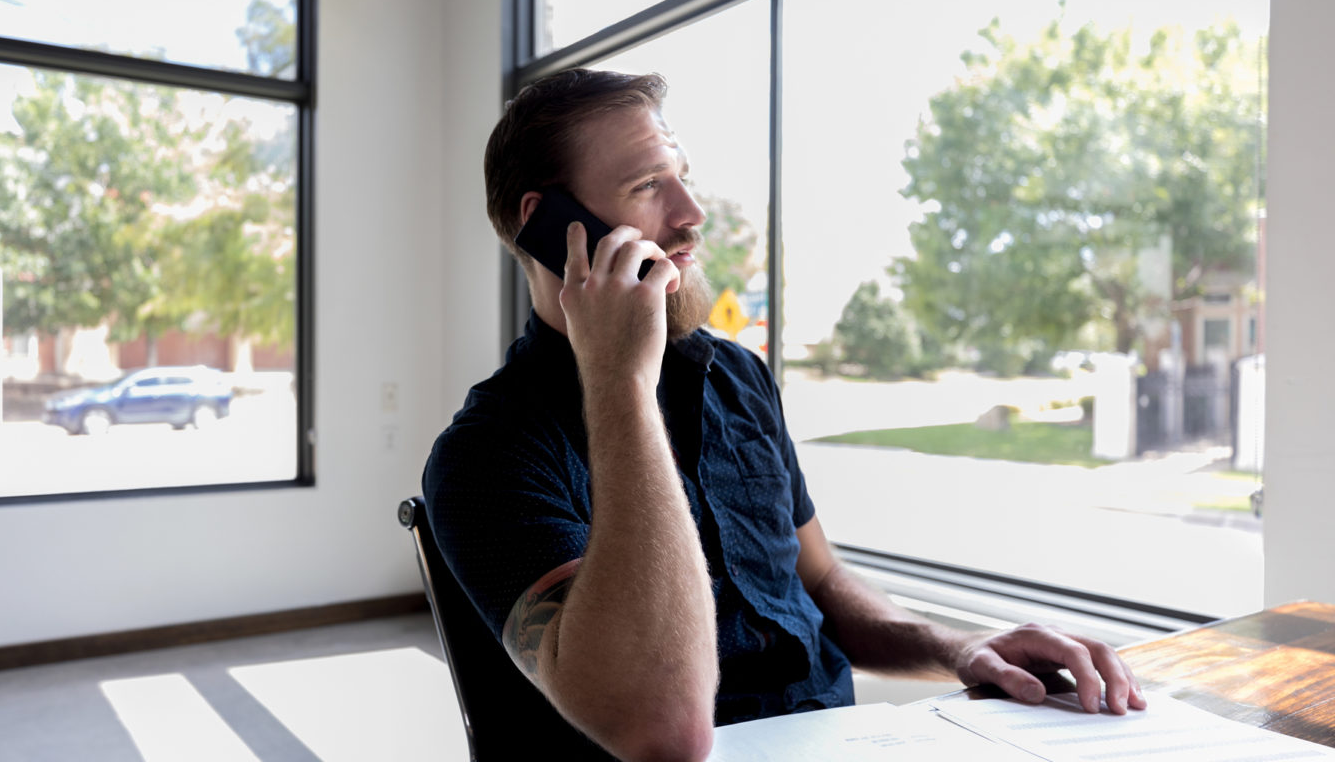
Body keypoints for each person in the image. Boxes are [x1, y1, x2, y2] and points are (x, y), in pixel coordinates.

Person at [422, 68, 1145, 761]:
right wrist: (620, 386)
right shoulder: (485, 455)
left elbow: (820, 584)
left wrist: (957, 647)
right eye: (648, 186)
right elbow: (662, 731)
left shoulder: (736, 376)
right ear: (548, 226)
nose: (690, 214)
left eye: (683, 176)